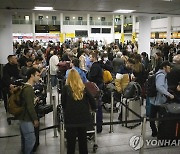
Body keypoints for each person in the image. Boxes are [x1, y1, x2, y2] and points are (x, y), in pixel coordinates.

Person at [61, 69, 96, 154]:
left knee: (71, 142)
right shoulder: (83, 87)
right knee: (83, 140)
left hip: (70, 118)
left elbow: (63, 103)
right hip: (83, 117)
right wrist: (94, 109)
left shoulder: (66, 88)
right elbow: (92, 99)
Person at [17, 67, 40, 154]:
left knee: (25, 139)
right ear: (31, 76)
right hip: (26, 118)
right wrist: (35, 119)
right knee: (30, 139)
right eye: (37, 75)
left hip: (24, 117)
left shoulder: (26, 87)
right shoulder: (28, 89)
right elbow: (30, 107)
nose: (39, 77)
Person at [149, 61, 174, 137]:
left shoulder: (159, 74)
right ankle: (157, 132)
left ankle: (155, 132)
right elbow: (159, 87)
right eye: (169, 67)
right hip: (158, 100)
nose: (170, 68)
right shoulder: (161, 75)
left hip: (155, 99)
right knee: (157, 117)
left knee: (152, 117)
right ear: (164, 67)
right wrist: (169, 94)